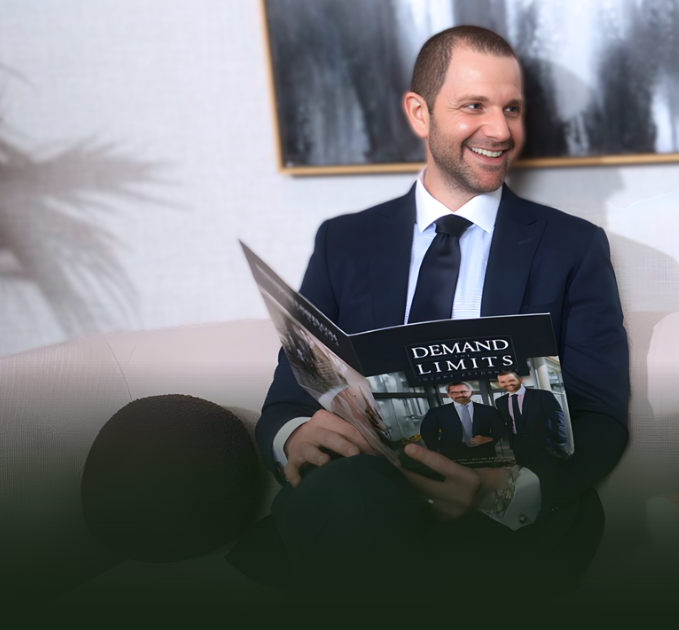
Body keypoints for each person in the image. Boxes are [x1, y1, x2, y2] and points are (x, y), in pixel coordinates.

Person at [231, 26, 629, 597]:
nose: (501, 130)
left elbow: (601, 415)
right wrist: (292, 437)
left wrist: (504, 489)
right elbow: (289, 398)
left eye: (512, 109)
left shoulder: (573, 247)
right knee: (354, 498)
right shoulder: (344, 243)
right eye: (474, 106)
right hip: (357, 501)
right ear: (420, 113)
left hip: (493, 527)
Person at [419, 382, 504, 461]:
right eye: (454, 392)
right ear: (448, 394)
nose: (460, 395)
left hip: (483, 450)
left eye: (464, 392)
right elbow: (427, 432)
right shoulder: (436, 412)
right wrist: (437, 449)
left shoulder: (489, 410)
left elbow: (501, 428)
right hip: (450, 453)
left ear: (472, 392)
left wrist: (489, 438)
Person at [495, 370, 570, 459]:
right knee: (525, 467)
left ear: (520, 380)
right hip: (518, 445)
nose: (507, 384)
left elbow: (557, 418)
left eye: (511, 380)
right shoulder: (500, 401)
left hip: (544, 444)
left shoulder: (542, 395)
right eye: (503, 382)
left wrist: (561, 442)